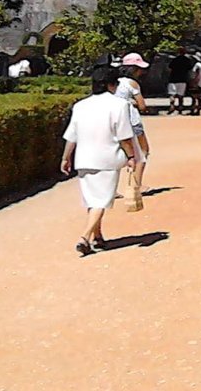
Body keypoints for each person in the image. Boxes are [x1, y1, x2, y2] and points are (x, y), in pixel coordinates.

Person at [61, 65, 137, 255]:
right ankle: (85, 236)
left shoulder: (81, 105)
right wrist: (132, 156)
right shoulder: (119, 105)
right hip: (107, 160)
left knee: (92, 199)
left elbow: (72, 135)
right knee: (101, 200)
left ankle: (98, 235)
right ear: (112, 84)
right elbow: (124, 136)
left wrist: (65, 158)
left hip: (84, 159)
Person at [115, 53, 151, 212]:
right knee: (142, 152)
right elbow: (142, 105)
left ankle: (112, 188)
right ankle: (137, 185)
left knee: (117, 153)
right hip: (132, 121)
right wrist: (132, 102)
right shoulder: (133, 84)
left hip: (115, 121)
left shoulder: (114, 83)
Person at [166, 47, 194, 114]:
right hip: (182, 79)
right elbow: (190, 70)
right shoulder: (187, 60)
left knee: (172, 94)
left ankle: (172, 106)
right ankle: (180, 107)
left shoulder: (174, 60)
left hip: (173, 79)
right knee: (181, 95)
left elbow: (169, 69)